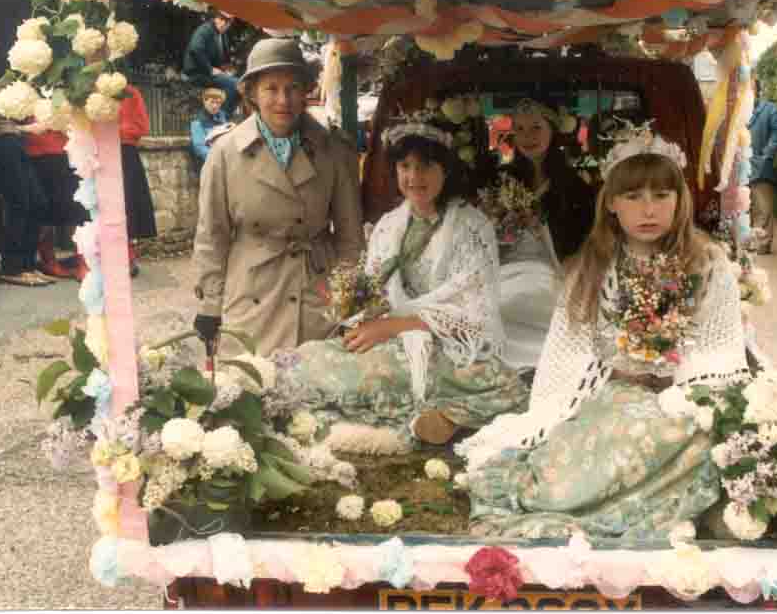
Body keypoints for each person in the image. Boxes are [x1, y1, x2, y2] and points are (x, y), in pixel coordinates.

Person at [456, 123, 751, 540]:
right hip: (611, 394)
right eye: (633, 196)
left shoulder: (707, 262)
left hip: (681, 398)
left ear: (679, 201)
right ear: (612, 203)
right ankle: (584, 503)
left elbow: (718, 346)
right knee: (586, 458)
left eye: (661, 195)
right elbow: (571, 348)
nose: (648, 210)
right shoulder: (591, 266)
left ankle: (648, 503)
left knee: (697, 440)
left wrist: (679, 391)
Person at [286, 116, 529, 450]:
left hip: (450, 347)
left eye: (426, 166)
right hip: (391, 337)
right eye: (405, 166)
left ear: (446, 170)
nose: (414, 177)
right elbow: (373, 294)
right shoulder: (388, 225)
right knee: (308, 359)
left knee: (504, 385)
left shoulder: (472, 228)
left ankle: (440, 417)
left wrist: (396, 327)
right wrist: (359, 314)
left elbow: (475, 314)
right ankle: (437, 417)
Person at [192, 37, 365, 356]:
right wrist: (209, 305)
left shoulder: (335, 151)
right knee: (252, 392)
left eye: (293, 88)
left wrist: (348, 303)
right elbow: (211, 236)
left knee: (317, 393)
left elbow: (350, 237)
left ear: (305, 92)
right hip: (251, 296)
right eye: (271, 88)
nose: (283, 99)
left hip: (317, 296)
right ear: (253, 94)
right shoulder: (224, 154)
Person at [491, 99, 596, 370]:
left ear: (552, 130)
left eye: (536, 128)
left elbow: (583, 244)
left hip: (554, 270)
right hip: (505, 268)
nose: (528, 137)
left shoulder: (574, 184)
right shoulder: (501, 179)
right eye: (521, 129)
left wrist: (542, 226)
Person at [0, 11, 52, 288]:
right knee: (20, 202)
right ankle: (13, 266)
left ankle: (27, 263)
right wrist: (23, 130)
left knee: (36, 201)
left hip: (10, 139)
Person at [21, 123, 87, 279]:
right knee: (44, 211)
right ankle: (48, 261)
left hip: (67, 149)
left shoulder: (58, 96)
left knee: (76, 209)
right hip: (34, 152)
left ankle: (83, 261)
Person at [119, 85, 157, 277]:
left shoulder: (131, 92)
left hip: (124, 151)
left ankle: (127, 254)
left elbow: (141, 126)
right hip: (94, 152)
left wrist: (115, 132)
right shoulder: (85, 90)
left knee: (127, 204)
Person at [747, 80, 777, 255]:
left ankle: (762, 245)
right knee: (742, 208)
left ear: (757, 90)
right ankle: (746, 243)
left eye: (750, 87)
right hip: (739, 167)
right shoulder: (736, 110)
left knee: (763, 208)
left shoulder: (770, 109)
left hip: (761, 168)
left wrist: (766, 155)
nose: (746, 90)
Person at [182, 10, 239, 119]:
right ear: (215, 18)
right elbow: (196, 49)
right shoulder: (205, 30)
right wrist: (210, 69)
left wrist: (228, 70)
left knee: (240, 84)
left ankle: (220, 116)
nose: (223, 24)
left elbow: (223, 59)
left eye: (227, 22)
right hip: (198, 73)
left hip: (210, 74)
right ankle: (221, 118)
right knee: (234, 84)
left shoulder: (222, 36)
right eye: (221, 19)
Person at [189, 87, 230, 174]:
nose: (215, 106)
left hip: (223, 163)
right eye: (212, 102)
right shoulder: (197, 121)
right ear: (205, 101)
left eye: (218, 103)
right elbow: (199, 146)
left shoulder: (222, 118)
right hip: (206, 165)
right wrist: (218, 159)